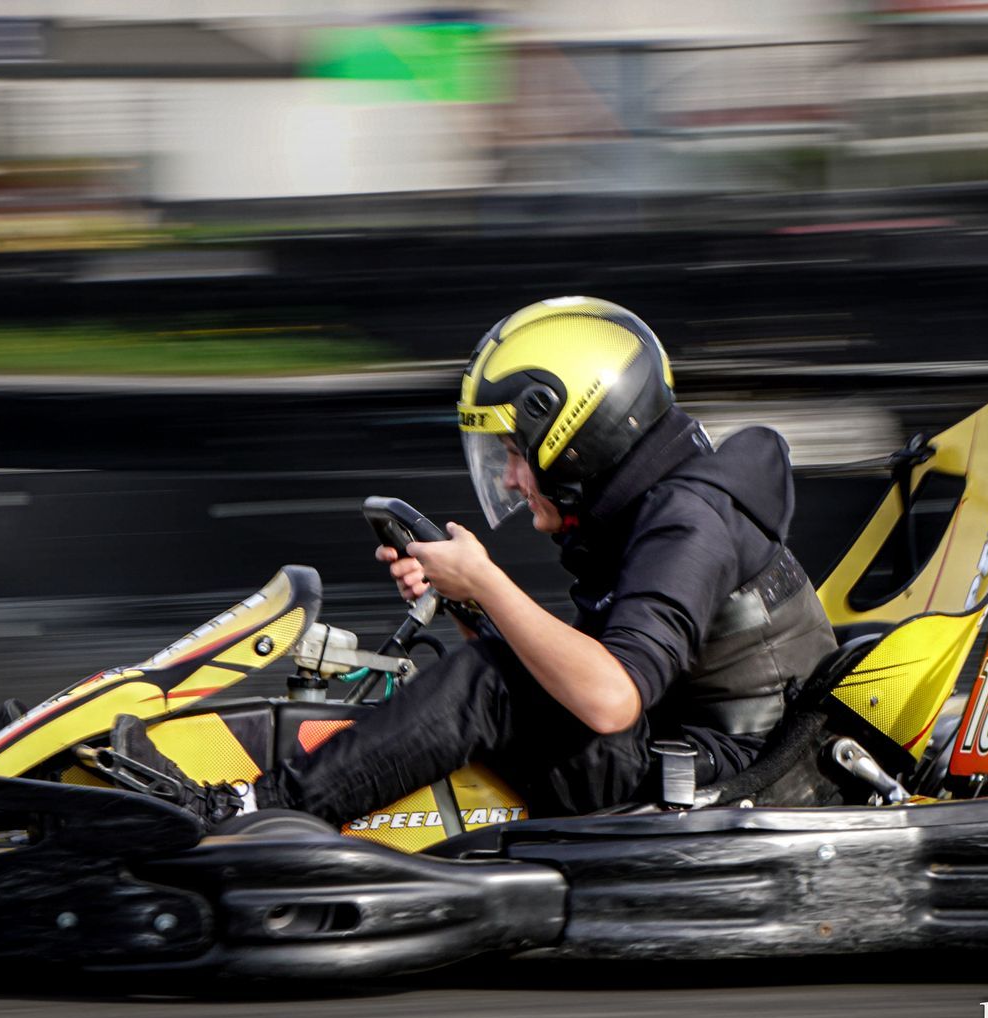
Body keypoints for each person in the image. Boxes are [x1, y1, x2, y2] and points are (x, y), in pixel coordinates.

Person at [122, 296, 836, 825]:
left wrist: (488, 583)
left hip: (735, 785)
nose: (510, 479)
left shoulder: (688, 523)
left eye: (516, 453)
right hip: (683, 753)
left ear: (576, 438)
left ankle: (253, 810)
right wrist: (466, 601)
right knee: (487, 671)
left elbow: (611, 698)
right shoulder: (654, 507)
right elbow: (573, 676)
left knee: (485, 680)